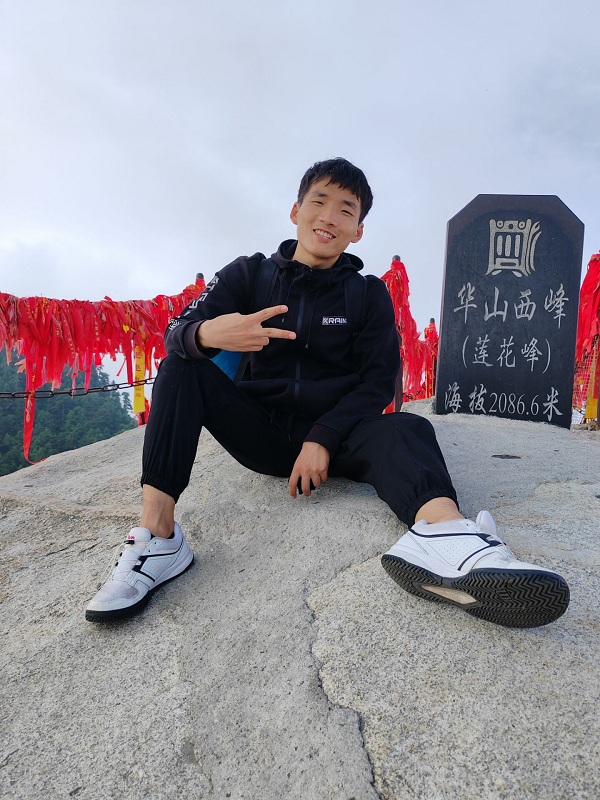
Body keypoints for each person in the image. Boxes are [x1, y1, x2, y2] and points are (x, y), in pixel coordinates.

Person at [85, 158, 570, 629]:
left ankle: (445, 537)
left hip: (341, 439)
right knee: (181, 367)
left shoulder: (367, 294)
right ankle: (160, 538)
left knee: (407, 426)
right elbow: (176, 332)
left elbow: (377, 382)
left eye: (346, 210)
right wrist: (210, 333)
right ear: (296, 211)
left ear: (358, 230)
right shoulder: (249, 275)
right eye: (319, 202)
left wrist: (323, 436)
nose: (329, 217)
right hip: (262, 432)